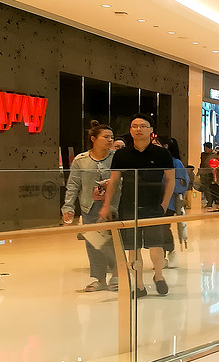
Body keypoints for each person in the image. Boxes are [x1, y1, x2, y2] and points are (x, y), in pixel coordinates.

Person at [100, 115, 175, 296]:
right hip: (129, 205)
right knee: (133, 248)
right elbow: (114, 180)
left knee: (156, 245)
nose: (138, 129)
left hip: (153, 206)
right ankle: (139, 285)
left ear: (151, 131)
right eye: (134, 126)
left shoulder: (162, 154)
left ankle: (158, 276)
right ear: (130, 130)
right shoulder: (121, 154)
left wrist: (164, 205)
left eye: (143, 126)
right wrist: (107, 205)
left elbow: (170, 180)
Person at [62, 122, 118, 291]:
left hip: (113, 207)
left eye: (111, 137)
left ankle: (117, 273)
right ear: (93, 139)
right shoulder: (81, 160)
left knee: (112, 241)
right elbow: (73, 185)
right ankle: (99, 278)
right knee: (93, 243)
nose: (110, 140)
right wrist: (68, 207)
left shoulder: (116, 157)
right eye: (106, 137)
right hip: (89, 207)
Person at [162, 138, 190, 266]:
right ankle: (160, 256)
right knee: (157, 228)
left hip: (170, 202)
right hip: (155, 199)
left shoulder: (176, 163)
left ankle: (171, 251)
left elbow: (182, 183)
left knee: (163, 227)